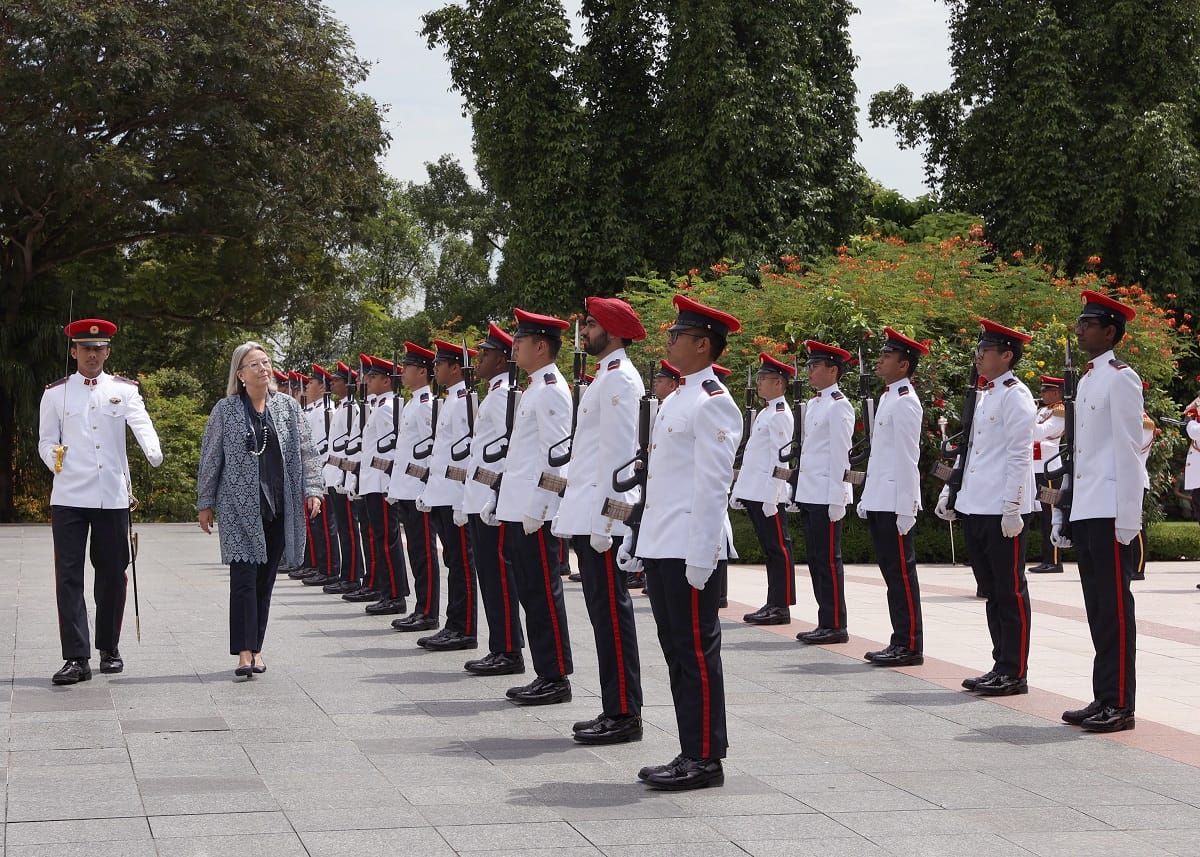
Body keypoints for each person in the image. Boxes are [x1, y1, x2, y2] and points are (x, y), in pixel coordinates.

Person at [632, 294, 743, 791]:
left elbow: (712, 487)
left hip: (688, 549)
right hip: (663, 543)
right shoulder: (676, 397)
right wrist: (640, 538)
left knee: (697, 654)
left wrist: (702, 555)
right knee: (676, 651)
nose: (669, 340)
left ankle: (705, 758)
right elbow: (662, 481)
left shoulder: (715, 404)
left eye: (678, 335)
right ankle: (689, 749)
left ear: (703, 345)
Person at [38, 318, 163, 685]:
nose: (92, 355)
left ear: (108, 351)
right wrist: (54, 458)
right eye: (85, 348)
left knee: (112, 574)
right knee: (69, 577)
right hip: (69, 495)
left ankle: (108, 647)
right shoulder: (55, 393)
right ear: (73, 351)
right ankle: (77, 657)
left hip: (110, 494)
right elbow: (45, 440)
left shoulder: (123, 390)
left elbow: (141, 423)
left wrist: (153, 452)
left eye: (99, 348)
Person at [197, 341, 323, 678]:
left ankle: (257, 648)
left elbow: (307, 451)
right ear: (240, 374)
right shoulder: (224, 410)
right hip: (238, 508)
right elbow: (211, 458)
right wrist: (204, 502)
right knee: (242, 580)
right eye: (254, 364)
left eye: (265, 362)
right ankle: (243, 653)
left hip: (278, 505)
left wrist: (313, 490)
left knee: (264, 582)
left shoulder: (287, 408)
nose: (263, 368)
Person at [553, 296, 646, 744]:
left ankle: (625, 713)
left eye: (590, 325)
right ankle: (615, 707)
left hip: (602, 522)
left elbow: (620, 458)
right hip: (588, 514)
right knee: (601, 616)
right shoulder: (605, 379)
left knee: (612, 615)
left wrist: (609, 524)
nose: (584, 333)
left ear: (611, 329)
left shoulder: (621, 381)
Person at [1052, 290, 1142, 732]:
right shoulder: (1087, 380)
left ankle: (1120, 704)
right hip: (1089, 506)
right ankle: (1103, 695)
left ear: (1110, 331)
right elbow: (1081, 452)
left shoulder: (1122, 378)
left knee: (1114, 606)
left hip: (1109, 507)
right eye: (1080, 321)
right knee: (1096, 607)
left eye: (1089, 323)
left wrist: (1129, 514)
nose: (1080, 328)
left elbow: (1128, 449)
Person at [935, 319, 1037, 696]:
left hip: (1001, 507)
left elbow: (1019, 455)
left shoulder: (1016, 395)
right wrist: (952, 491)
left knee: (1010, 591)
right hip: (977, 502)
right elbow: (972, 449)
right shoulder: (984, 393)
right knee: (992, 591)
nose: (978, 356)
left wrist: (1013, 506)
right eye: (978, 350)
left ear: (1006, 355)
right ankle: (1000, 663)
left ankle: (1015, 671)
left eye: (986, 351)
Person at [495, 309, 575, 705]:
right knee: (530, 592)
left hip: (533, 513)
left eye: (520, 341)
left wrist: (541, 507)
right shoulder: (534, 387)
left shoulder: (552, 389)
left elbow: (557, 457)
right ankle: (546, 671)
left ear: (541, 346)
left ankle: (555, 675)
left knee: (543, 593)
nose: (514, 347)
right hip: (518, 507)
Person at [857, 327, 928, 667]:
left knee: (901, 575)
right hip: (880, 498)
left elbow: (907, 458)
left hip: (894, 502)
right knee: (891, 575)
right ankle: (900, 639)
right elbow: (879, 455)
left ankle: (910, 644)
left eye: (887, 356)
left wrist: (907, 506)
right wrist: (868, 495)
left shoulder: (905, 402)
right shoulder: (888, 398)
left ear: (904, 365)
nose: (880, 360)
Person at [461, 323, 526, 676]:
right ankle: (500, 645)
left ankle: (508, 649)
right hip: (480, 497)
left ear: (502, 359)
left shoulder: (504, 396)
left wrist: (496, 495)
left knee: (499, 576)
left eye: (485, 354)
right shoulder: (493, 393)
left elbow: (505, 454)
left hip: (491, 499)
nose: (480, 359)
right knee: (489, 574)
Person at [414, 339, 481, 650]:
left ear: (457, 367)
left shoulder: (466, 400)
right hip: (442, 493)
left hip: (456, 495)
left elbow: (469, 456)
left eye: (441, 364)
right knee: (453, 561)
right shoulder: (450, 400)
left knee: (462, 564)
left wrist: (464, 498)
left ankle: (464, 628)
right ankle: (454, 623)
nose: (435, 369)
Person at [792, 340, 855, 645]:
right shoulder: (815, 404)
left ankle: (835, 624)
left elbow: (840, 456)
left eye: (815, 366)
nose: (810, 371)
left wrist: (838, 497)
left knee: (829, 561)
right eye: (809, 366)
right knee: (816, 560)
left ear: (833, 370)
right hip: (810, 493)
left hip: (826, 496)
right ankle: (824, 620)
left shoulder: (839, 405)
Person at [730, 353, 796, 626]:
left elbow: (781, 459)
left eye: (764, 379)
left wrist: (774, 494)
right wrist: (740, 490)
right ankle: (773, 602)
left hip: (768, 494)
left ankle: (780, 606)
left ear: (779, 383)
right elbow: (754, 456)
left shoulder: (780, 415)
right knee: (771, 550)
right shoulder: (767, 412)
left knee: (778, 550)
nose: (759, 383)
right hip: (756, 491)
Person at [387, 343, 440, 631]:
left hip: (418, 489)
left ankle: (429, 611)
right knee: (416, 552)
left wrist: (424, 489)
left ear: (422, 371)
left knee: (424, 552)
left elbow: (431, 451)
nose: (402, 372)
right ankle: (421, 607)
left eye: (407, 367)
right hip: (406, 488)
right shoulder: (411, 403)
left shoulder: (427, 405)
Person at [354, 356, 408, 615]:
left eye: (373, 377)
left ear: (387, 381)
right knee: (380, 538)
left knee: (388, 540)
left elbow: (392, 449)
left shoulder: (388, 407)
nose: (367, 380)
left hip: (382, 482)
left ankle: (395, 594)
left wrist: (390, 484)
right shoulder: (379, 406)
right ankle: (388, 591)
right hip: (372, 482)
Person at [299, 365, 341, 587]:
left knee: (326, 524)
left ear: (321, 387)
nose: (306, 385)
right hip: (315, 472)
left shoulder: (327, 411)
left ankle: (329, 569)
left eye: (311, 382)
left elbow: (323, 447)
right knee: (315, 524)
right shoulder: (313, 411)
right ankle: (317, 565)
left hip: (324, 472)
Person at [1029, 376, 1066, 574]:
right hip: (1033, 468)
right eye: (1042, 390)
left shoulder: (1060, 412)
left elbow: (1037, 433)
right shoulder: (1043, 411)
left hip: (1049, 470)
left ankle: (1053, 560)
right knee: (1039, 515)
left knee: (1050, 515)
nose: (1042, 394)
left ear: (1057, 393)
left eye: (1046, 391)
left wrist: (1025, 416)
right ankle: (1046, 558)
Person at [1132, 384, 1156, 582]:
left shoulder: (1144, 422)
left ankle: (1138, 567)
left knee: (1136, 523)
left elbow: (1134, 447)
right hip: (1126, 478)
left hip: (1136, 478)